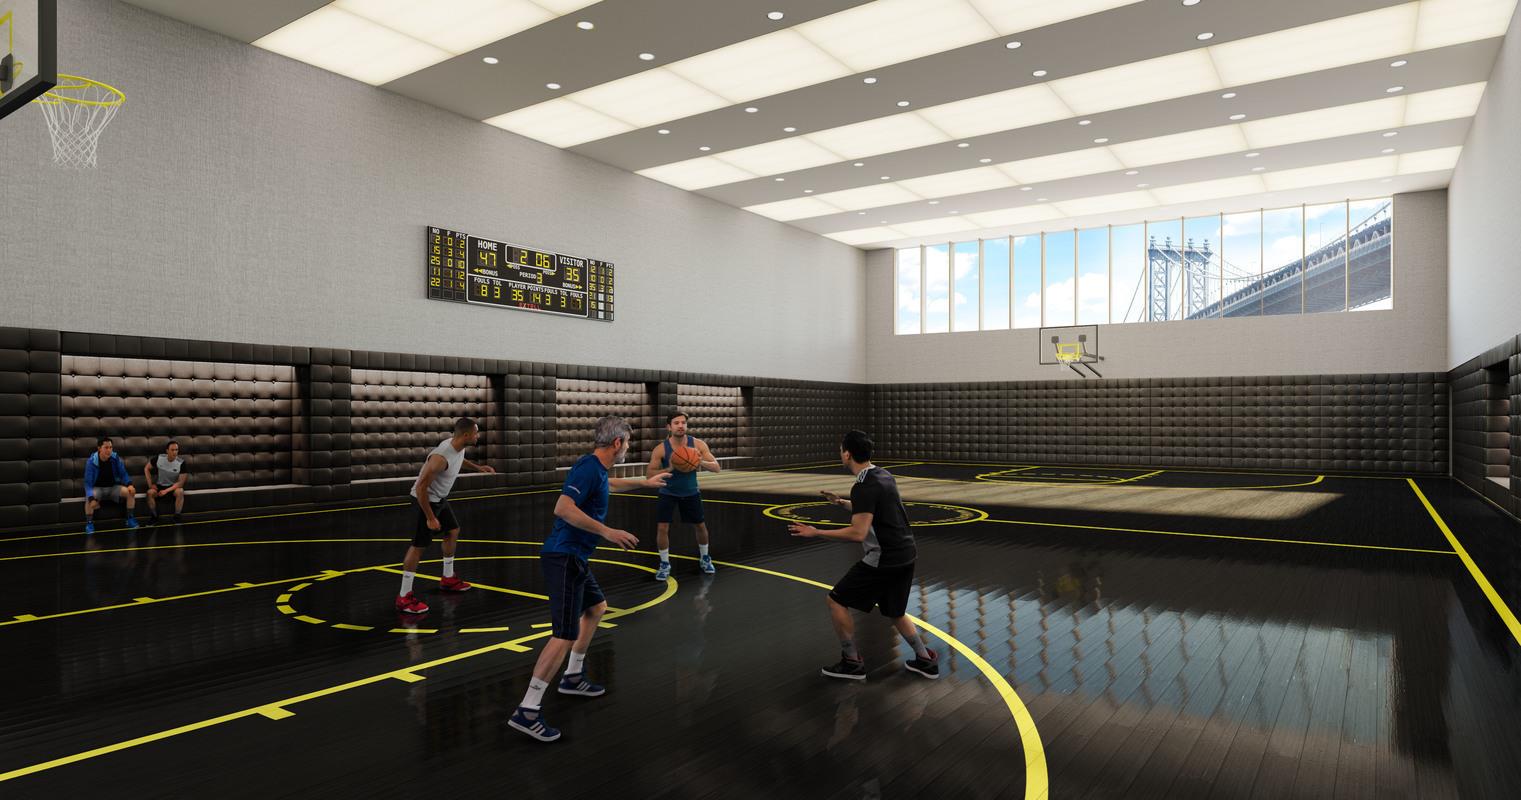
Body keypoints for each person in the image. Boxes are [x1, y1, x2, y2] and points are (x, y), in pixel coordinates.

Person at [508, 416, 669, 742]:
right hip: (564, 558)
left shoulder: (597, 470)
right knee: (564, 635)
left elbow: (608, 484)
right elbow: (563, 508)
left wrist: (645, 483)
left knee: (596, 608)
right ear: (617, 443)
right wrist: (607, 531)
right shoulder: (587, 468)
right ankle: (527, 710)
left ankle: (572, 676)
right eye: (627, 443)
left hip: (575, 558)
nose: (628, 448)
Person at [787, 430, 939, 681]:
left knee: (835, 600)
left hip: (884, 558)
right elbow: (873, 509)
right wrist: (841, 503)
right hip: (906, 553)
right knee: (895, 611)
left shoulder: (863, 486)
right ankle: (925, 659)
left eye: (841, 450)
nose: (840, 453)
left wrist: (816, 532)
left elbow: (858, 533)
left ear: (847, 454)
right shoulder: (883, 475)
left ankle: (852, 663)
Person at [395, 418, 496, 615]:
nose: (478, 436)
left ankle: (448, 579)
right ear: (466, 435)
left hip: (439, 499)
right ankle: (404, 597)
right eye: (475, 433)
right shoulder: (440, 458)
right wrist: (430, 517)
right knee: (418, 547)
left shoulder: (457, 446)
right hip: (424, 501)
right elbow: (421, 488)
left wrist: (478, 468)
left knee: (453, 530)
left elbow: (458, 460)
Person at [646, 411, 722, 580]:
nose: (680, 426)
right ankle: (664, 563)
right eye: (676, 423)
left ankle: (705, 558)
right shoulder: (661, 449)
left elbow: (717, 467)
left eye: (683, 423)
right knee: (662, 528)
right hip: (668, 492)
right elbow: (649, 475)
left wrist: (699, 461)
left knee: (700, 526)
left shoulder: (698, 444)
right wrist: (669, 468)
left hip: (691, 492)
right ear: (669, 427)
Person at [83, 437, 137, 534]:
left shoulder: (115, 458)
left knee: (130, 492)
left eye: (111, 447)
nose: (109, 450)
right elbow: (88, 483)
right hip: (98, 488)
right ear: (99, 448)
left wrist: (129, 484)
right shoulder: (91, 461)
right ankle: (89, 523)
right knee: (89, 497)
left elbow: (123, 473)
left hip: (113, 488)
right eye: (106, 447)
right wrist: (91, 499)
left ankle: (130, 518)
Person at [144, 440, 189, 524]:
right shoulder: (159, 458)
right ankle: (154, 517)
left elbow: (180, 483)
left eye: (176, 450)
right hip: (160, 486)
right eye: (172, 450)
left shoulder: (181, 463)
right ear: (167, 451)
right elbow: (146, 468)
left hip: (173, 487)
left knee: (180, 491)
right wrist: (150, 485)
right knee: (149, 493)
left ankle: (177, 516)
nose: (175, 452)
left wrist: (166, 491)